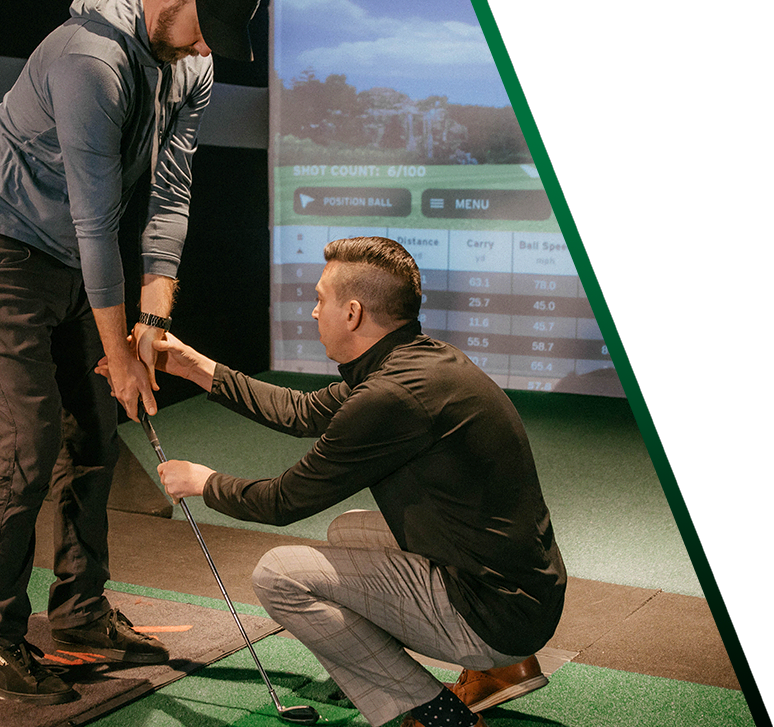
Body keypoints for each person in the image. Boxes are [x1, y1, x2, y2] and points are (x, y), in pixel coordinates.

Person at [0, 0, 263, 704]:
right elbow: (96, 221)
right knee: (27, 443)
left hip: (68, 256)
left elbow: (170, 196)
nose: (205, 49)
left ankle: (81, 613)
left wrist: (150, 323)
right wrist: (119, 355)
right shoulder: (91, 60)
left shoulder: (190, 63)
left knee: (93, 432)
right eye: (204, 26)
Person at [141, 236, 567, 727]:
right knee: (349, 531)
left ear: (353, 313)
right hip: (521, 590)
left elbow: (284, 501)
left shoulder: (391, 396)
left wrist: (204, 481)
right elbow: (301, 411)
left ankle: (434, 713)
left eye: (320, 300)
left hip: (493, 612)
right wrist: (192, 365)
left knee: (279, 575)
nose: (313, 311)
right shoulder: (416, 359)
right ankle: (504, 671)